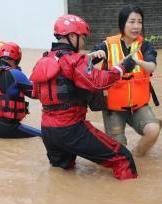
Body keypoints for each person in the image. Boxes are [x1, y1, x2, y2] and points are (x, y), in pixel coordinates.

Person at [30, 14, 138, 180]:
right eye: (82, 38)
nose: (83, 43)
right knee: (123, 159)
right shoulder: (74, 61)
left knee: (63, 173)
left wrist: (88, 62)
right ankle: (132, 203)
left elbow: (35, 93)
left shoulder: (43, 60)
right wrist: (122, 68)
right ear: (72, 36)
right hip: (71, 129)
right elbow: (99, 82)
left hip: (48, 132)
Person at [90, 5, 161, 157]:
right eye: (132, 22)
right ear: (122, 23)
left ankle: (137, 156)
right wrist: (95, 54)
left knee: (153, 130)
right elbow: (85, 64)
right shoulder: (107, 45)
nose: (136, 26)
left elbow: (151, 67)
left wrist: (138, 62)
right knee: (118, 152)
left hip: (138, 106)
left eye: (140, 22)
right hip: (113, 108)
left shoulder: (145, 46)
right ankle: (126, 159)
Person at [0, 42, 41, 139]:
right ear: (17, 59)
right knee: (44, 136)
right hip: (8, 128)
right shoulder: (15, 74)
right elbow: (36, 94)